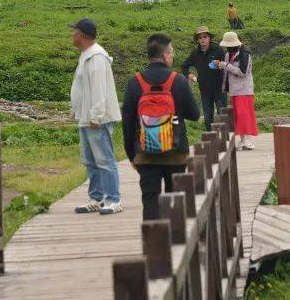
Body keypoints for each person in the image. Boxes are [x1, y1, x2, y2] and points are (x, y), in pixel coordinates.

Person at [122, 33, 200, 221]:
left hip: (146, 154)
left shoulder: (135, 82)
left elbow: (127, 121)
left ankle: (153, 246)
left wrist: (132, 155)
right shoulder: (178, 80)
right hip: (175, 153)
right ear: (165, 55)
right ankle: (176, 246)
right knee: (175, 201)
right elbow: (195, 115)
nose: (172, 56)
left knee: (150, 201)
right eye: (171, 52)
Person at [69, 18, 123, 215]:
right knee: (89, 159)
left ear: (82, 35)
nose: (72, 36)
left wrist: (96, 116)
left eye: (74, 32)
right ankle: (97, 197)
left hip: (96, 119)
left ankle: (113, 198)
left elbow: (100, 90)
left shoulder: (97, 57)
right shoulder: (86, 55)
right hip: (85, 117)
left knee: (104, 159)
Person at [217, 31, 258, 150]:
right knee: (238, 117)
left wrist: (225, 65)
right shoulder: (227, 55)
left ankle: (248, 140)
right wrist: (220, 66)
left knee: (244, 115)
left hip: (244, 90)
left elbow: (242, 72)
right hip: (234, 90)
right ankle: (242, 140)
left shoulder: (245, 55)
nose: (227, 48)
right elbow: (227, 71)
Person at [181, 26, 227, 128]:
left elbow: (227, 65)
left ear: (209, 38)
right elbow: (184, 66)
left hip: (219, 87)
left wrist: (220, 64)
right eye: (200, 37)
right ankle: (210, 139)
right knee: (207, 116)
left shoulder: (218, 49)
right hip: (204, 88)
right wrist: (189, 74)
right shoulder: (195, 53)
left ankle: (226, 139)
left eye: (205, 36)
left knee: (222, 113)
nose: (202, 39)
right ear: (197, 40)